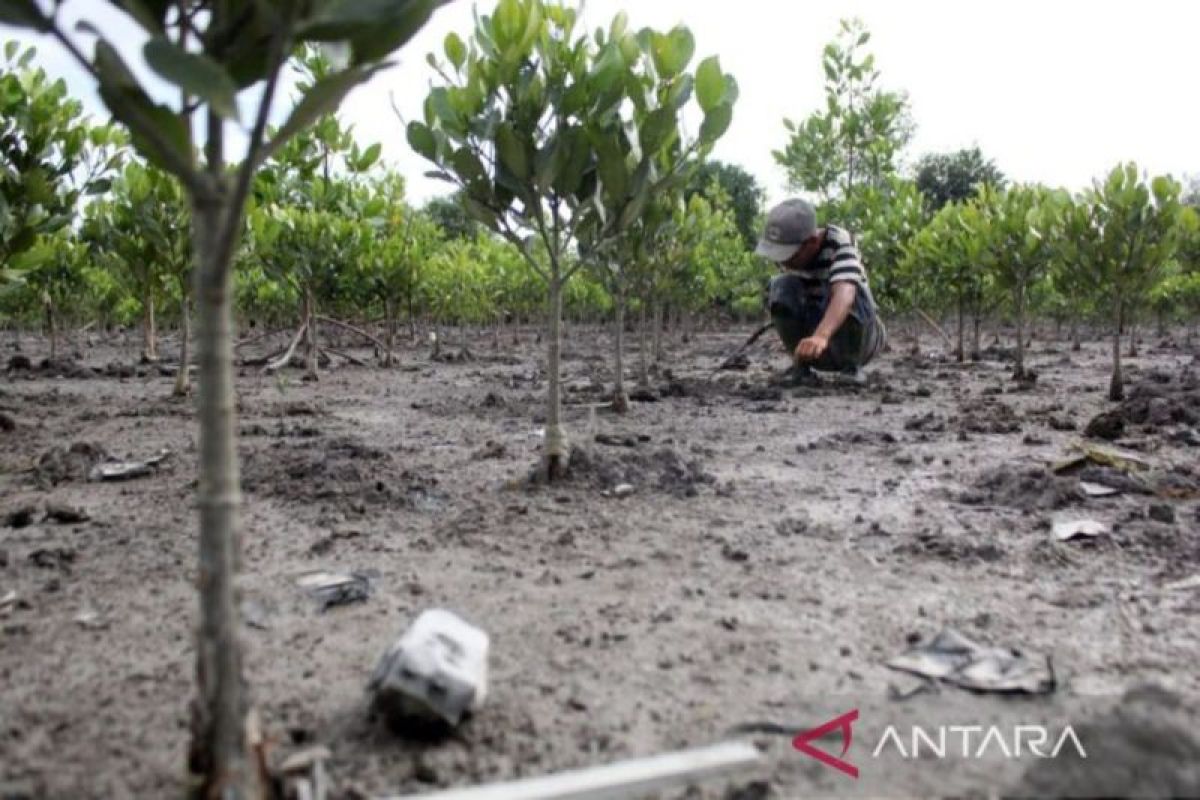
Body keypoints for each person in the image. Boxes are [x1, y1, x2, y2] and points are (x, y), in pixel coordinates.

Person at [754, 198, 886, 385]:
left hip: (860, 341)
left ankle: (852, 368)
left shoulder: (839, 243)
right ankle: (801, 366)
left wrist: (821, 336)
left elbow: (845, 294)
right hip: (816, 343)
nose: (783, 263)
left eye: (789, 256)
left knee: (853, 288)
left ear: (812, 243)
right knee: (780, 285)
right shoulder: (791, 260)